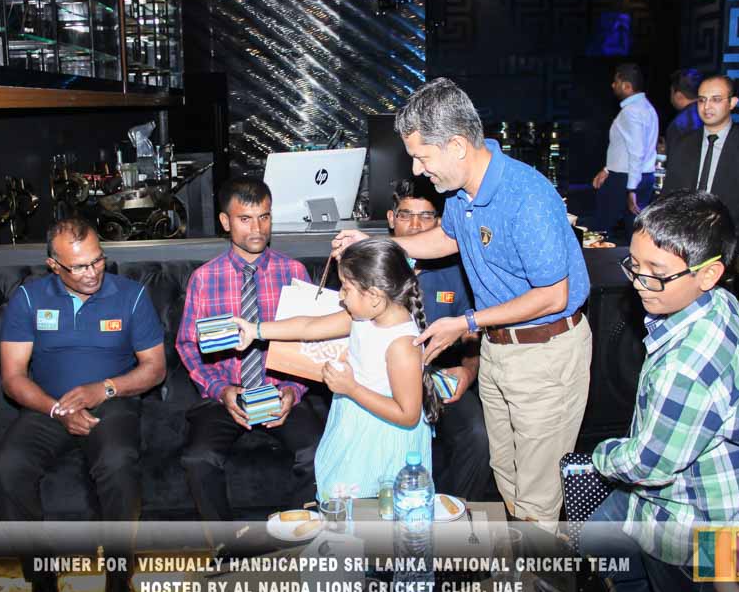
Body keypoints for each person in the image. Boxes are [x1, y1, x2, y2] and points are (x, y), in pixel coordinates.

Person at [335, 78, 591, 530]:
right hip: (499, 348)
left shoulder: (526, 197)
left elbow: (553, 295)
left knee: (537, 496)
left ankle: (535, 572)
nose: (418, 170)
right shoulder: (460, 194)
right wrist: (377, 244)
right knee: (507, 475)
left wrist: (466, 322)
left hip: (545, 352)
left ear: (456, 145)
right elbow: (446, 239)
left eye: (422, 157)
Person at [580, 190, 739, 592]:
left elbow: (649, 465)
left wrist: (600, 456)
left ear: (709, 274)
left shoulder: (686, 366)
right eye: (634, 264)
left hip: (699, 522)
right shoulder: (721, 302)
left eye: (657, 273)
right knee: (600, 535)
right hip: (727, 494)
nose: (638, 281)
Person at [0, 218, 166, 592]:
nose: (92, 273)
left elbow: (155, 368)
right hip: (47, 406)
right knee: (6, 468)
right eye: (79, 266)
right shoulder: (29, 298)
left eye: (97, 260)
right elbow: (13, 378)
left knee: (118, 462)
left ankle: (119, 578)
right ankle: (42, 580)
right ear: (54, 265)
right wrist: (58, 408)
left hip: (112, 403)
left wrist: (105, 388)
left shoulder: (131, 296)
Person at [232, 237, 437, 500]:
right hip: (354, 421)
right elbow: (309, 326)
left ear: (374, 296)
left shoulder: (402, 345)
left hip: (383, 437)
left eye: (346, 288)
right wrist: (255, 330)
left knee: (371, 510)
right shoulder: (364, 317)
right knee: (341, 502)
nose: (340, 296)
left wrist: (351, 388)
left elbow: (408, 415)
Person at [176, 177, 324, 520]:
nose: (257, 229)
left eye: (264, 217)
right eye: (245, 219)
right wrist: (221, 390)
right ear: (226, 222)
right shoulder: (204, 278)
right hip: (226, 393)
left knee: (318, 452)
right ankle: (226, 545)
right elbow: (187, 345)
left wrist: (294, 390)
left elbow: (310, 344)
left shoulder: (294, 272)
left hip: (279, 388)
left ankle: (294, 534)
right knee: (198, 460)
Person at [387, 177, 494, 501]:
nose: (415, 226)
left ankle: (457, 514)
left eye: (426, 216)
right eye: (406, 215)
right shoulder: (372, 266)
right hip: (382, 380)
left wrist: (468, 372)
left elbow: (474, 337)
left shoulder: (458, 270)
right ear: (391, 218)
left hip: (439, 378)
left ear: (440, 223)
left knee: (477, 434)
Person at [662, 74, 739, 235]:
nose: (707, 106)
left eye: (715, 99)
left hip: (732, 241)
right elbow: (668, 199)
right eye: (702, 100)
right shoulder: (682, 144)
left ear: (732, 102)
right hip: (684, 239)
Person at [591, 63, 660, 236]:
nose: (612, 85)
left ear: (627, 86)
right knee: (635, 231)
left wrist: (631, 189)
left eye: (616, 82)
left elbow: (636, 153)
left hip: (627, 179)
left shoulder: (631, 112)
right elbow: (626, 149)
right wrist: (607, 169)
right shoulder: (648, 108)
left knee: (601, 229)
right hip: (642, 176)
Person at [665, 68, 703, 160]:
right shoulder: (710, 116)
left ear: (679, 96)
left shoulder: (679, 125)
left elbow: (676, 161)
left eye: (671, 91)